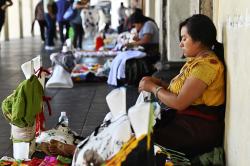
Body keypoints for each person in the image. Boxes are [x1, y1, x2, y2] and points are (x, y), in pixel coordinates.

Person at [138, 14, 225, 157]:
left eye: (184, 38)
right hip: (187, 121)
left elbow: (179, 102)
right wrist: (159, 83)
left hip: (197, 129)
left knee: (143, 142)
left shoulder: (206, 66)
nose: (181, 43)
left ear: (199, 40)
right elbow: (184, 92)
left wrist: (153, 88)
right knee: (139, 129)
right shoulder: (197, 60)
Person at [107, 10, 160, 86]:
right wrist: (136, 40)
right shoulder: (145, 26)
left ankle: (129, 77)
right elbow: (143, 40)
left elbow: (146, 40)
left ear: (139, 22)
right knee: (122, 56)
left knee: (126, 57)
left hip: (152, 51)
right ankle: (122, 77)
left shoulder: (148, 24)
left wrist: (131, 44)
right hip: (147, 48)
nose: (135, 27)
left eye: (135, 25)